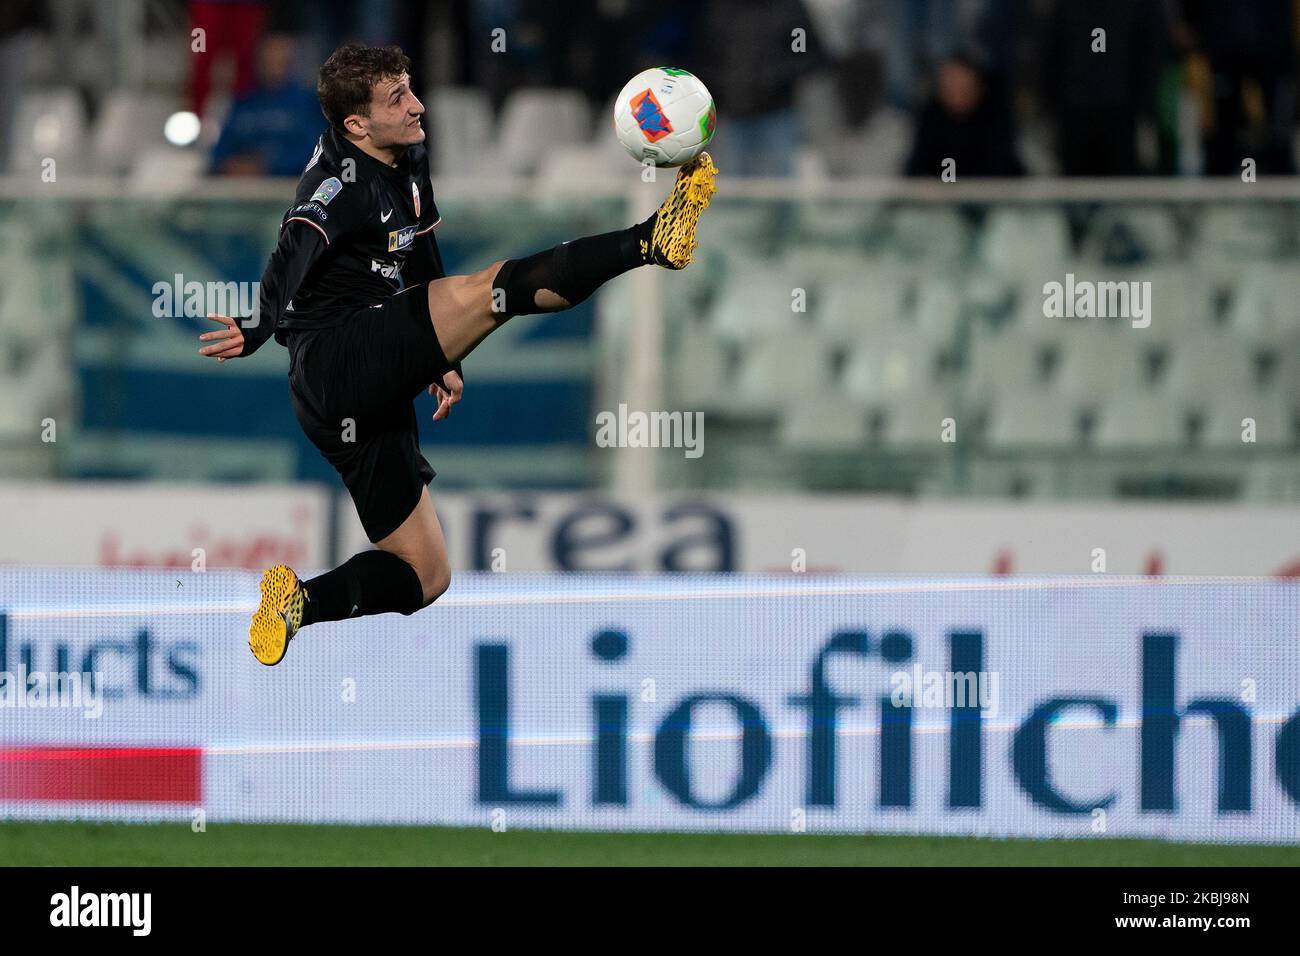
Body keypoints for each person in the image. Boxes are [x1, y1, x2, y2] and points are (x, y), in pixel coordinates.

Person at [197, 44, 717, 665]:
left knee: (425, 574)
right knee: (493, 290)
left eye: (411, 89)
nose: (418, 106)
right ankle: (649, 241)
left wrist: (444, 354)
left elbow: (420, 251)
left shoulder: (407, 154)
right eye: (397, 101)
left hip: (355, 390)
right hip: (337, 356)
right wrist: (258, 327)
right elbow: (291, 251)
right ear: (356, 125)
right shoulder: (340, 187)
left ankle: (296, 603)